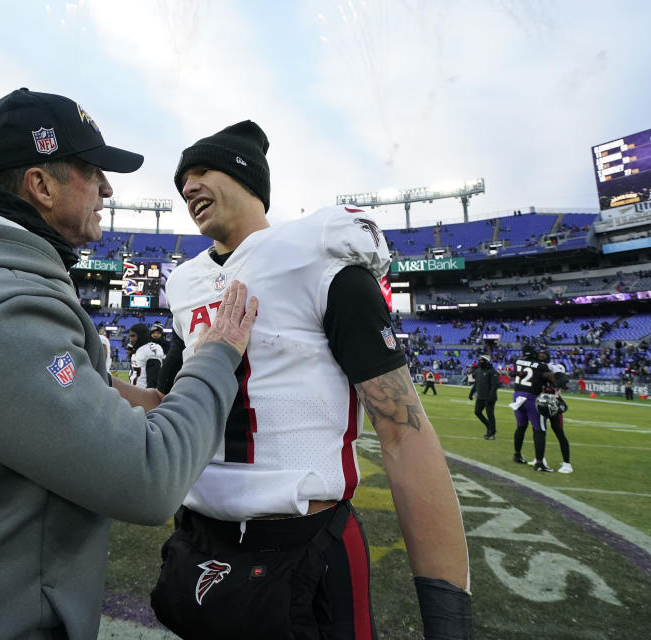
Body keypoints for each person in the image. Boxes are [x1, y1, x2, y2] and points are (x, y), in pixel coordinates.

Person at [0, 89, 259, 640]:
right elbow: (148, 477)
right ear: (41, 185)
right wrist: (216, 357)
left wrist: (110, 391)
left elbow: (42, 389)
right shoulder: (0, 310)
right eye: (93, 172)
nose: (108, 188)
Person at [150, 121, 471, 639]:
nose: (187, 187)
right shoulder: (184, 282)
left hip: (302, 547)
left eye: (202, 170)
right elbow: (163, 404)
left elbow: (403, 432)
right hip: (198, 544)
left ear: (247, 177)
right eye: (182, 179)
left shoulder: (316, 249)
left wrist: (447, 617)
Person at [510, 346, 567, 472]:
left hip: (517, 395)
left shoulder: (517, 361)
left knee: (521, 427)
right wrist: (558, 382)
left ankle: (517, 455)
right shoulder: (540, 366)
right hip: (532, 398)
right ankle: (540, 462)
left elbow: (511, 373)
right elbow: (554, 377)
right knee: (539, 430)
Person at [537, 362, 572, 474]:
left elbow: (566, 386)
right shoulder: (545, 374)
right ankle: (540, 458)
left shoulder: (556, 377)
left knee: (559, 434)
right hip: (543, 404)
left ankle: (567, 463)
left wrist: (556, 383)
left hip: (554, 406)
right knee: (540, 432)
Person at [469, 355, 500, 439]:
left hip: (489, 397)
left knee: (490, 415)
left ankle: (491, 433)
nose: (480, 362)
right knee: (477, 412)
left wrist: (491, 396)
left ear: (486, 361)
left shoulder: (492, 371)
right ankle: (490, 427)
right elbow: (476, 383)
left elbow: (495, 385)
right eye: (479, 360)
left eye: (482, 360)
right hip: (480, 396)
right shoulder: (478, 370)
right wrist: (471, 393)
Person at [128, 321, 165, 387]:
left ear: (141, 336)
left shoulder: (150, 349)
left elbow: (153, 381)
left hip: (144, 394)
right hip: (134, 392)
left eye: (133, 336)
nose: (130, 339)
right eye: (130, 336)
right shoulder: (138, 350)